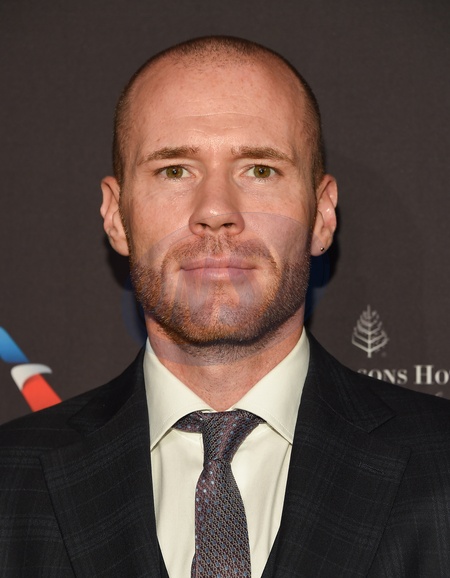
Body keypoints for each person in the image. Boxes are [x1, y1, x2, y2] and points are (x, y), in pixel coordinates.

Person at [1, 36, 450, 578]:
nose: (215, 210)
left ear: (322, 215)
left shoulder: (440, 466)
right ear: (117, 216)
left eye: (259, 169)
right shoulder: (10, 483)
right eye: (175, 170)